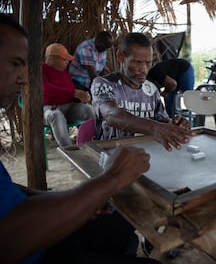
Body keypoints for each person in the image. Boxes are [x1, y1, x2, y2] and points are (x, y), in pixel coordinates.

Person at [0, 14, 160, 264]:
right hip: (49, 109)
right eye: (15, 63)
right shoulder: (94, 81)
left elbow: (10, 193)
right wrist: (108, 181)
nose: (22, 77)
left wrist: (79, 197)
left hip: (68, 107)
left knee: (118, 228)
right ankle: (68, 148)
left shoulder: (151, 90)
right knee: (56, 118)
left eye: (147, 63)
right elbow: (8, 243)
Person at [90, 32, 192, 151]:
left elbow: (160, 120)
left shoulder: (152, 89)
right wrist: (156, 128)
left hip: (147, 154)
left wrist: (173, 125)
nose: (144, 69)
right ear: (121, 57)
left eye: (148, 63)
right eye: (137, 62)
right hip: (112, 156)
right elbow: (111, 114)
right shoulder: (103, 84)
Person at [42, 43, 95, 148]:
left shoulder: (64, 72)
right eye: (64, 59)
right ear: (52, 59)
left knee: (88, 109)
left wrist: (82, 96)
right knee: (56, 115)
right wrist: (73, 93)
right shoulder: (42, 69)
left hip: (69, 108)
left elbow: (70, 91)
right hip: (49, 109)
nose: (67, 62)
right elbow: (45, 90)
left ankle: (90, 144)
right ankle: (69, 150)